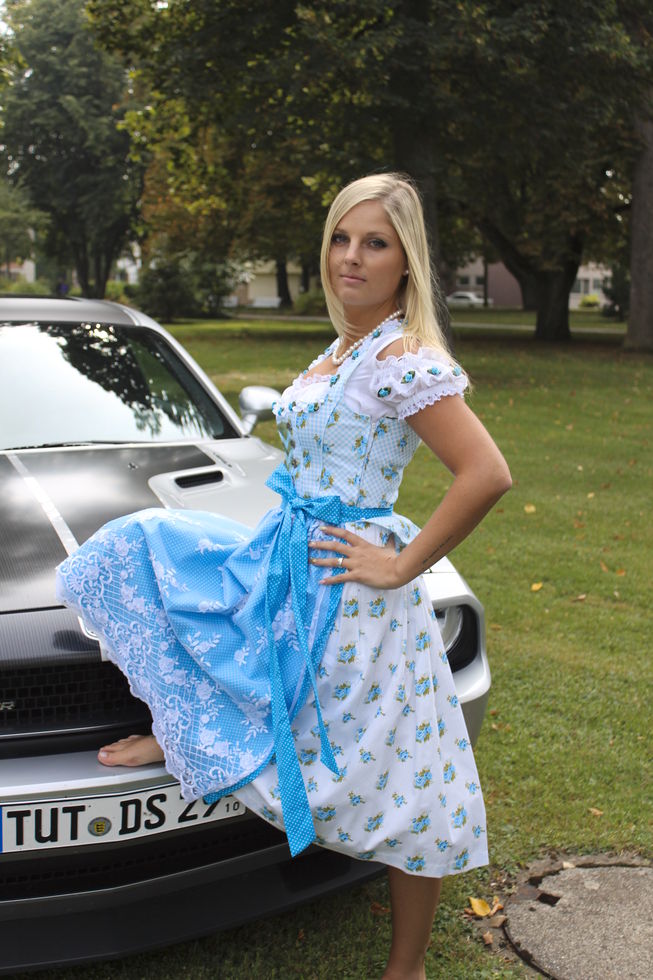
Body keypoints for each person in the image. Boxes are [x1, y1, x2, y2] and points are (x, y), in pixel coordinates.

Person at [56, 172, 511, 980]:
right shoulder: (344, 350)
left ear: (406, 261)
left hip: (351, 585)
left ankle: (403, 970)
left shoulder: (400, 355)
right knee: (150, 546)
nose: (351, 257)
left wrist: (400, 563)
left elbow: (485, 472)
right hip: (288, 552)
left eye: (375, 243)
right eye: (341, 238)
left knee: (404, 775)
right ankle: (184, 734)